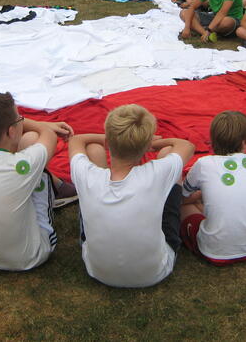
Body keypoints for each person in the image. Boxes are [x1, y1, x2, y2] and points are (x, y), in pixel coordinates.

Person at [68, 104, 195, 288]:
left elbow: (76, 140)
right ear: (144, 146)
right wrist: (150, 143)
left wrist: (113, 138)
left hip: (97, 270)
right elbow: (186, 146)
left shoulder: (87, 174)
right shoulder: (156, 173)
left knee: (91, 153)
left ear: (110, 141)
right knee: (169, 159)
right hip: (154, 273)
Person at [0, 92, 75, 271]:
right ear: (11, 130)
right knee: (40, 174)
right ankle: (56, 193)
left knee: (29, 142)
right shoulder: (22, 166)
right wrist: (43, 125)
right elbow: (48, 135)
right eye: (20, 118)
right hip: (27, 257)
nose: (22, 121)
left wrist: (15, 120)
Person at [181, 111, 246, 265]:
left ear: (212, 141)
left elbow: (182, 196)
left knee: (184, 208)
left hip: (213, 252)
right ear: (244, 142)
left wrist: (197, 197)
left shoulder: (203, 163)